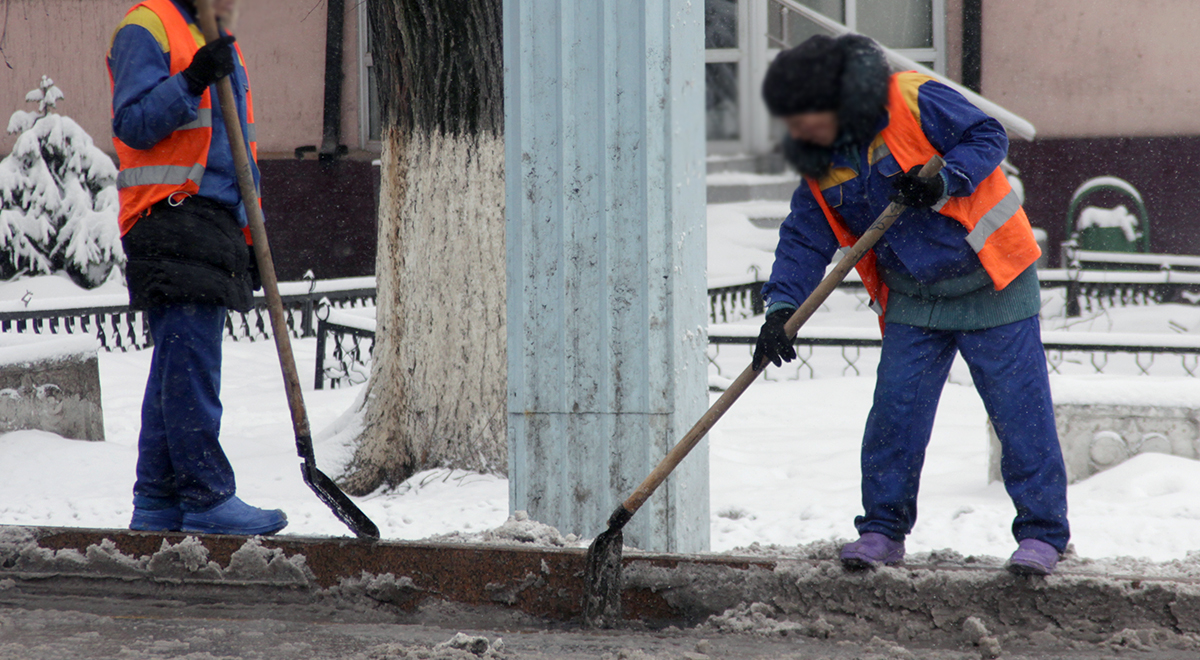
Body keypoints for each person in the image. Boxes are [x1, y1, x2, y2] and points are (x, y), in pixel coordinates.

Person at [755, 34, 1068, 575]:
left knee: (1019, 414)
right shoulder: (820, 157)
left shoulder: (913, 97)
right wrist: (782, 308)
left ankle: (1043, 534)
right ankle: (882, 529)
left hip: (993, 279)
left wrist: (946, 180)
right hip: (915, 298)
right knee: (895, 417)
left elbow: (988, 134)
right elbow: (805, 236)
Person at [108, 0, 286, 535]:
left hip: (213, 221)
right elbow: (133, 123)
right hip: (169, 214)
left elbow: (236, 153)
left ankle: (158, 499)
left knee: (176, 362)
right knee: (191, 362)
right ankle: (206, 496)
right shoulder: (149, 26)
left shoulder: (215, 39)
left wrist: (251, 236)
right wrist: (190, 80)